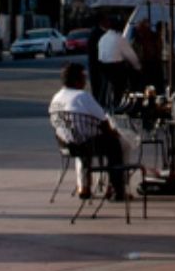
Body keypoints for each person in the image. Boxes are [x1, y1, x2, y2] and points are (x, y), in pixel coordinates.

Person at [47, 63, 127, 200]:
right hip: (86, 144)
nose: (86, 80)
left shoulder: (56, 97)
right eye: (84, 77)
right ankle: (116, 188)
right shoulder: (82, 96)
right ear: (77, 80)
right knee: (115, 144)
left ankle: (84, 187)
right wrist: (112, 133)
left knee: (83, 142)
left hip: (66, 144)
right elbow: (103, 120)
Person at [95, 16, 140, 110]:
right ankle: (119, 103)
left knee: (105, 84)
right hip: (116, 68)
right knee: (123, 82)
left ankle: (103, 103)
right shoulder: (119, 39)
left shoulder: (102, 38)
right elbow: (130, 55)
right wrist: (138, 67)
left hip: (103, 67)